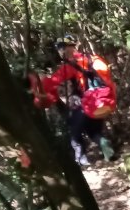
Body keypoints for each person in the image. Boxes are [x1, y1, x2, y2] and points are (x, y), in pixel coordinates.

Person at [49, 35, 117, 165]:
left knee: (75, 131)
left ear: (68, 48)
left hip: (86, 103)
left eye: (61, 48)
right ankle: (105, 147)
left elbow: (53, 81)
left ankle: (81, 159)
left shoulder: (71, 64)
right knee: (93, 130)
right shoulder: (94, 58)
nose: (60, 51)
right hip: (103, 101)